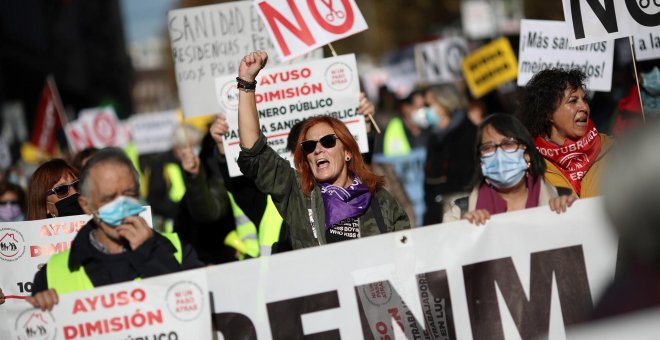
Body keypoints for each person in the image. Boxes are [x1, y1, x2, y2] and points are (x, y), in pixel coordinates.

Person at [235, 51, 410, 248]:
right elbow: (254, 150)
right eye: (309, 146)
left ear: (347, 152)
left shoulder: (380, 200)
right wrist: (247, 83)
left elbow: (406, 254)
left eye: (327, 141)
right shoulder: (298, 195)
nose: (318, 149)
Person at [27, 148, 203, 310]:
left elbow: (198, 311)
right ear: (86, 205)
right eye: (109, 198)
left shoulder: (177, 249)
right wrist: (43, 309)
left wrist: (153, 254)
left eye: (129, 194)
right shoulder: (51, 275)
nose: (121, 205)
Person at [443, 114, 577, 225]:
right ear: (481, 161)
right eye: (488, 148)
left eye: (508, 144)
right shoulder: (458, 214)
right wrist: (463, 232)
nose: (499, 155)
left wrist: (571, 214)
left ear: (527, 155)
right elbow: (445, 253)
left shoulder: (565, 197)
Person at [518, 68, 613, 198]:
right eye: (573, 101)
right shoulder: (529, 166)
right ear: (548, 113)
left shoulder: (613, 149)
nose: (584, 107)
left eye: (584, 99)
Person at [423, 84, 479, 225]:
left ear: (445, 103)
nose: (425, 110)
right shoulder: (434, 136)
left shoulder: (470, 133)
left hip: (461, 211)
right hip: (436, 211)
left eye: (429, 104)